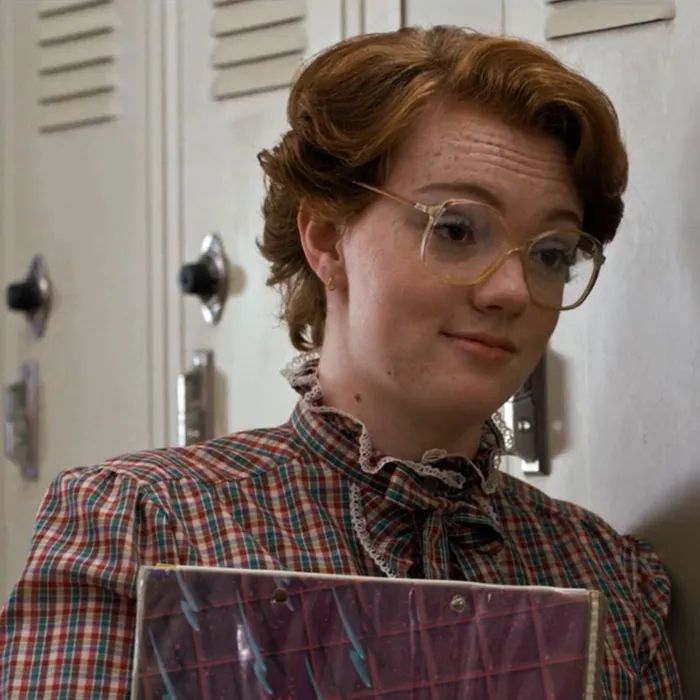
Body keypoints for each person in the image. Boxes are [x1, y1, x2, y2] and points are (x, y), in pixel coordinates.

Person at [0, 26, 681, 698]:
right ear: (326, 236)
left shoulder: (608, 578)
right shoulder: (150, 527)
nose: (511, 290)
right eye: (456, 229)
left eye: (552, 253)